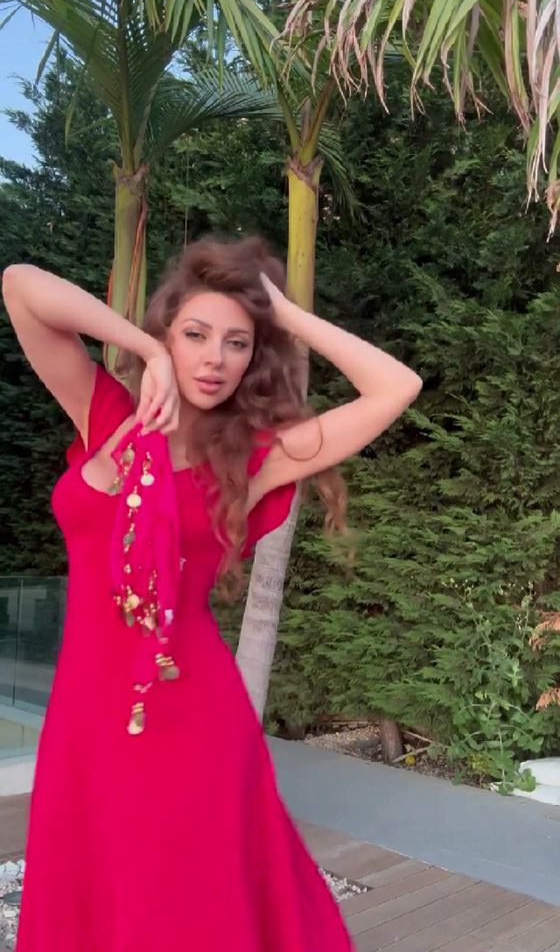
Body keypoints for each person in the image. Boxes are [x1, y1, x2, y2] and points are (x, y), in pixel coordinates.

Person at [2, 236, 422, 952]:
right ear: (169, 335)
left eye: (236, 342)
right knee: (98, 894)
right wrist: (145, 349)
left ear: (253, 357)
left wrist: (287, 316)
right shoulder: (109, 417)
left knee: (186, 904)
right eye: (195, 335)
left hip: (191, 715)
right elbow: (20, 284)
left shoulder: (255, 460)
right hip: (85, 714)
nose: (214, 358)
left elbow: (395, 387)